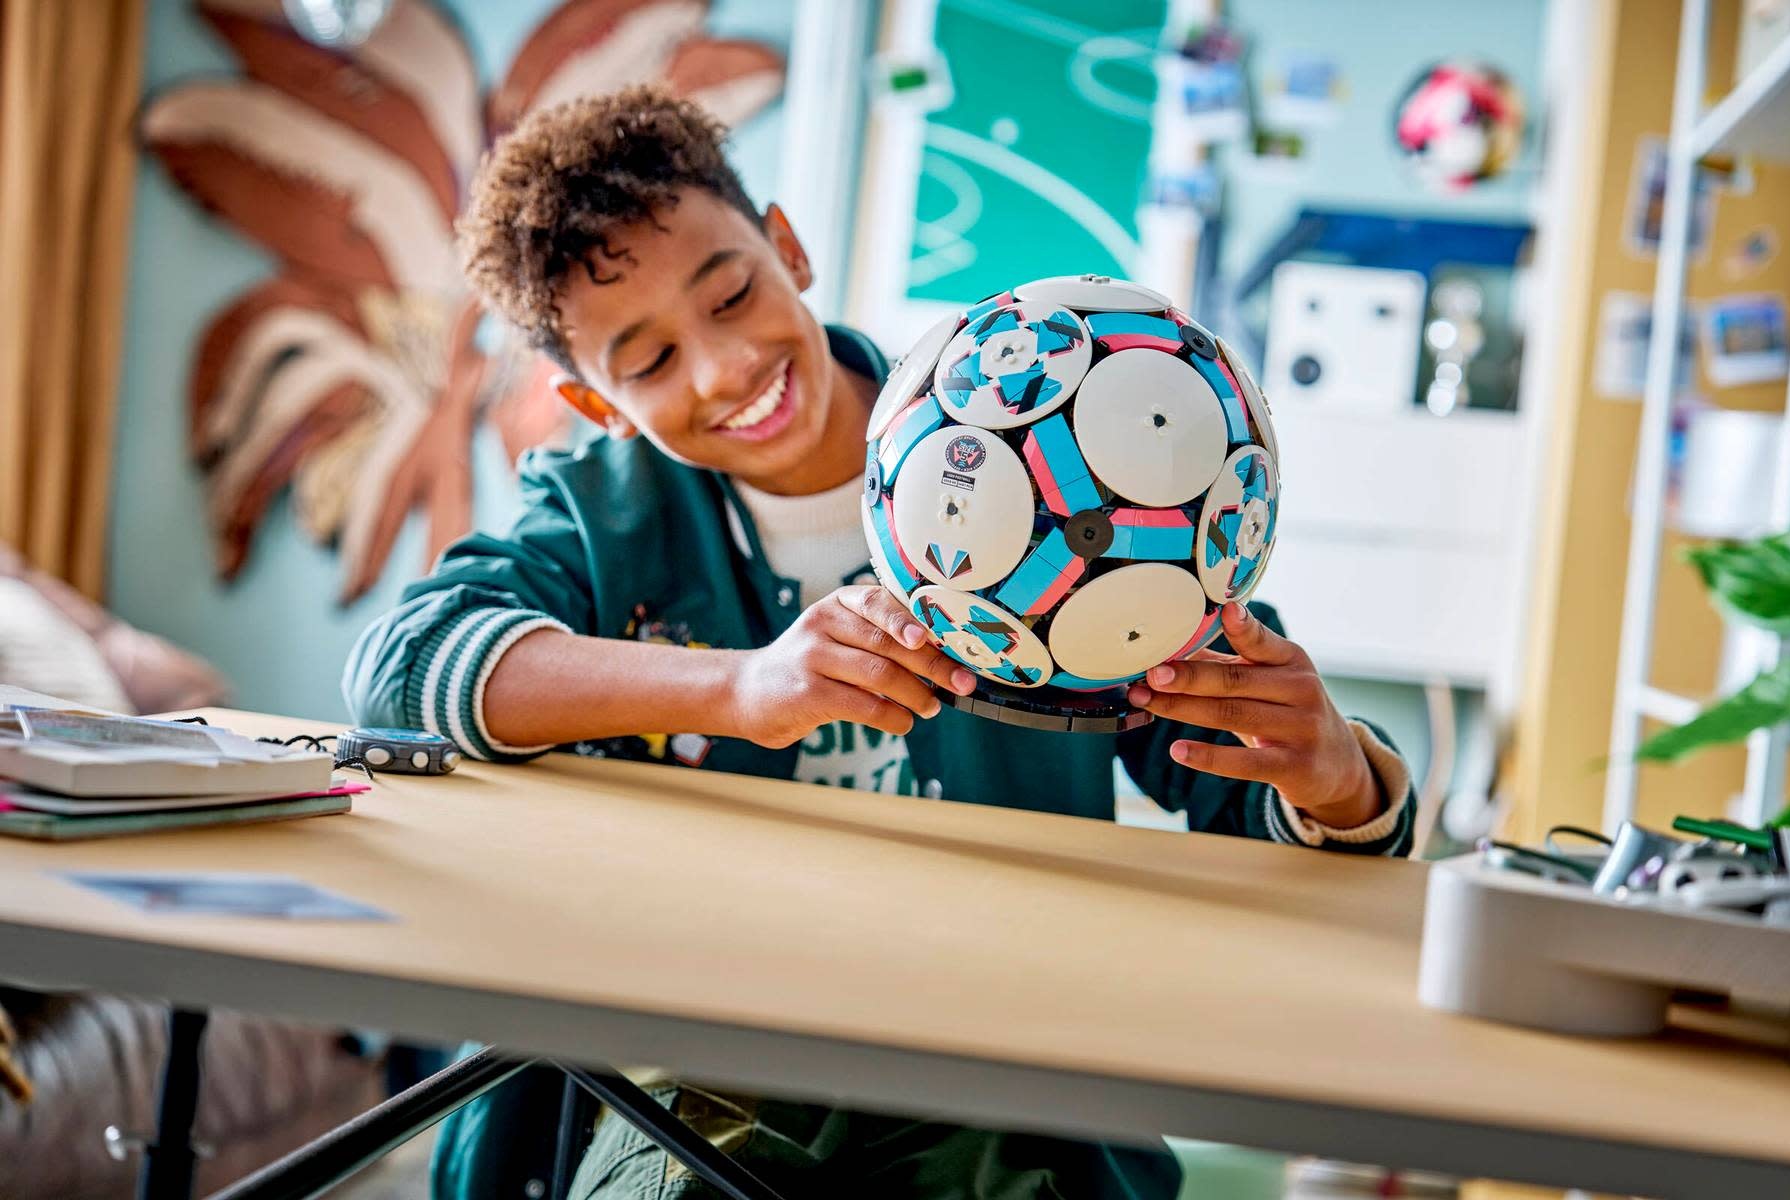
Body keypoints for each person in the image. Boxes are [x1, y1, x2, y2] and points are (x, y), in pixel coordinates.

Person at [345, 85, 1417, 1200]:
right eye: (649, 362)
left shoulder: (1038, 440)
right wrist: (741, 688)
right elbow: (404, 668)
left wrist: (1337, 774)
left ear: (788, 249)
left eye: (730, 295)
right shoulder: (600, 514)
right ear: (596, 401)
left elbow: (1272, 800)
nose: (720, 370)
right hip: (703, 1062)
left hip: (996, 1077)